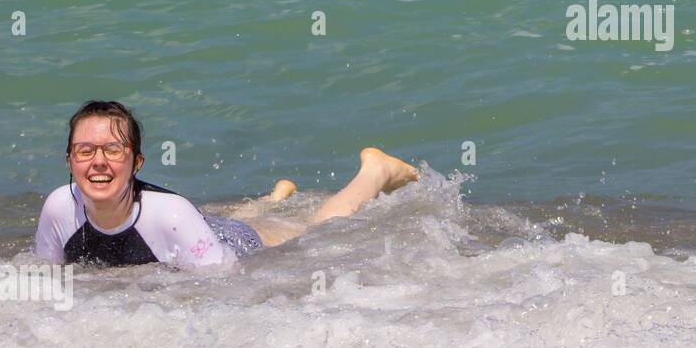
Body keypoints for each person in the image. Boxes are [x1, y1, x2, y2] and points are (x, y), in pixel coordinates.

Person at [36, 100, 419, 268]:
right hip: (193, 232)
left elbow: (224, 287)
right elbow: (51, 277)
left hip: (228, 242)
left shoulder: (169, 214)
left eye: (113, 150)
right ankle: (275, 197)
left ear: (137, 162)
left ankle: (375, 171)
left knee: (314, 230)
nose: (98, 162)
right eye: (85, 150)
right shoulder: (58, 208)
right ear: (69, 160)